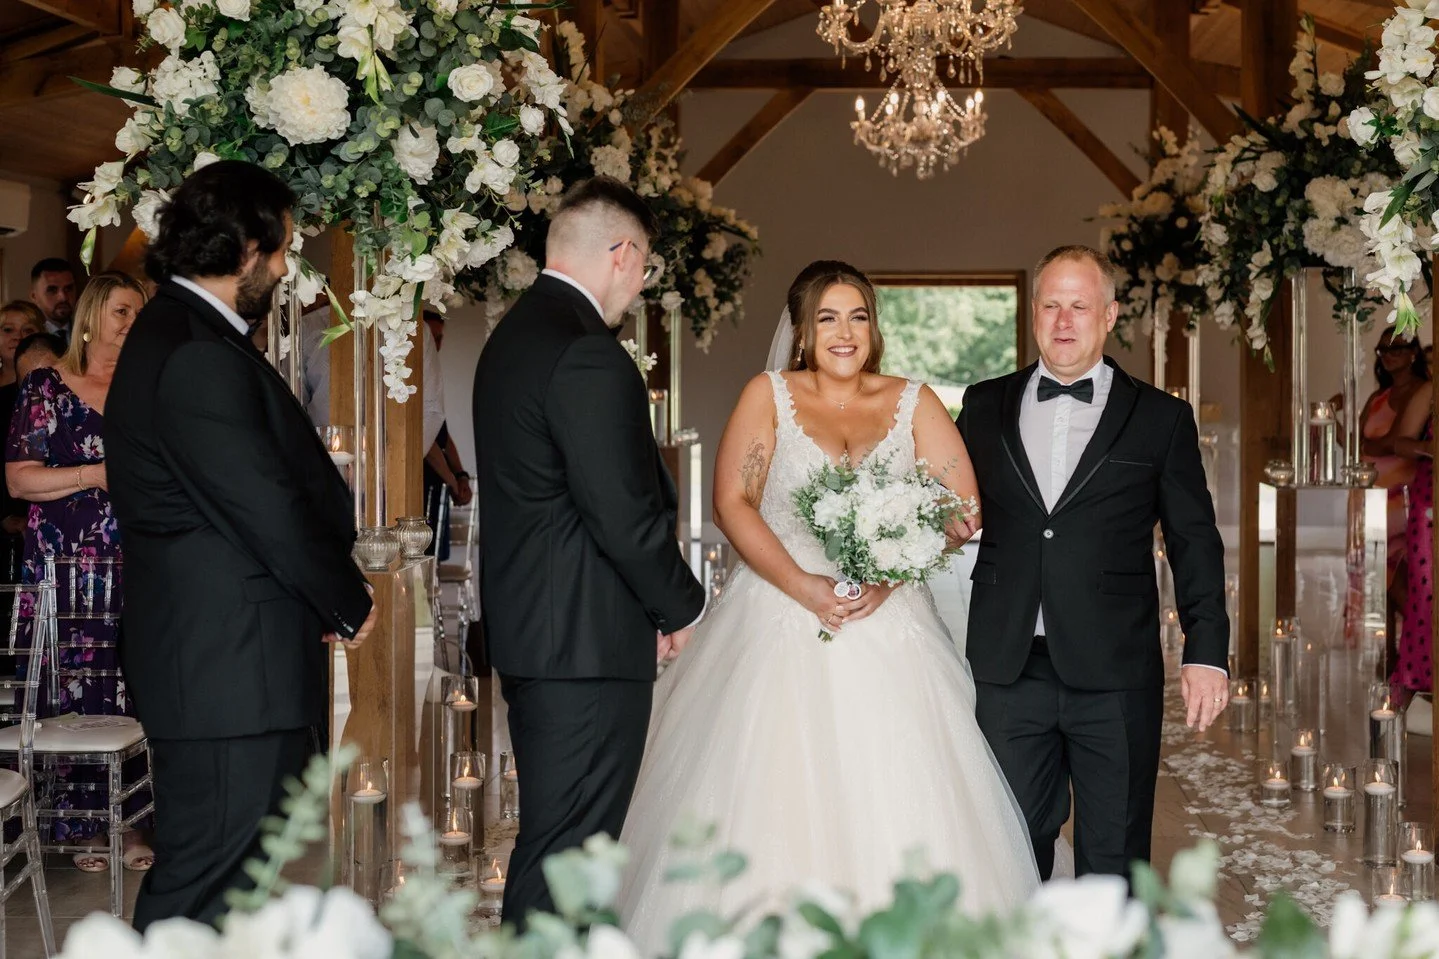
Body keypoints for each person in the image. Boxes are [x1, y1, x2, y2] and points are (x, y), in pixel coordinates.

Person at [615, 261, 1039, 953]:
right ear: (804, 331)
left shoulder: (913, 400)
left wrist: (891, 570)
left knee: (906, 788)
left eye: (858, 316)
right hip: (779, 613)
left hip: (889, 621)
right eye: (828, 318)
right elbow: (732, 502)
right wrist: (801, 584)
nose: (845, 333)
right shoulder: (770, 395)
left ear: (874, 327)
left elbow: (963, 509)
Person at [104, 160, 377, 929]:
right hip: (222, 664)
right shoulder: (191, 350)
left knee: (228, 872)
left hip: (226, 659)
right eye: (283, 250)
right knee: (204, 873)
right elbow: (264, 504)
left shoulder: (189, 335)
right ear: (246, 246)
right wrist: (347, 599)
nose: (286, 269)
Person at [474, 176, 705, 926]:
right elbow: (622, 512)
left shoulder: (514, 337)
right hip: (583, 642)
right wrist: (678, 602)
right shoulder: (584, 351)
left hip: (542, 633)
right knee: (570, 851)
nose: (637, 289)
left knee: (557, 842)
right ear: (623, 253)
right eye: (642, 271)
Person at [957, 245, 1227, 881]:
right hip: (1007, 666)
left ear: (1109, 315)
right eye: (1050, 304)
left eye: (1079, 306)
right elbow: (944, 506)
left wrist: (1205, 651)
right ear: (1033, 313)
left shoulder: (1161, 418)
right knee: (1009, 853)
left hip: (1115, 672)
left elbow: (1194, 538)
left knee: (1114, 857)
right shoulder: (982, 404)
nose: (1063, 320)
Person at [4, 272, 152, 873]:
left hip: (141, 558)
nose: (131, 324)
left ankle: (137, 821)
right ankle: (83, 824)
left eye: (139, 313)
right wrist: (93, 474)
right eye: (122, 312)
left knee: (137, 682)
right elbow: (19, 479)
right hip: (63, 565)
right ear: (90, 318)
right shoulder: (46, 386)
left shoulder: (149, 386)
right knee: (73, 687)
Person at [1369, 374, 1435, 725]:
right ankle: (1410, 684)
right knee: (1425, 593)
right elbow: (1401, 444)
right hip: (1431, 498)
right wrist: (1430, 448)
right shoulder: (1431, 387)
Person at [29, 258, 78, 340]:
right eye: (52, 290)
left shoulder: (89, 331)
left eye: (68, 289)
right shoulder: (27, 336)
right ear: (34, 297)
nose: (63, 297)